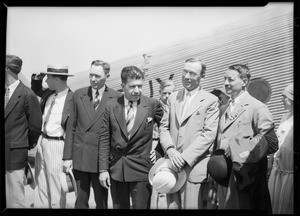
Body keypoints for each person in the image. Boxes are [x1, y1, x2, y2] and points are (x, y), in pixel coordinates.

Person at [215, 63, 278, 212]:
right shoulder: (223, 108)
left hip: (246, 177)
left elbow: (270, 141)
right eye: (224, 79)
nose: (225, 83)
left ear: (244, 81)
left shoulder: (257, 107)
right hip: (225, 177)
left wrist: (236, 147)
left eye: (230, 79)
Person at [99, 66, 164, 209]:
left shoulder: (152, 104)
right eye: (132, 86)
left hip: (142, 170)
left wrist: (159, 151)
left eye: (140, 86)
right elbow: (104, 138)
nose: (137, 90)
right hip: (117, 170)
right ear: (123, 86)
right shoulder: (111, 106)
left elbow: (166, 129)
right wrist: (103, 170)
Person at [159, 57, 220, 209]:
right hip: (172, 167)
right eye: (185, 71)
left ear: (202, 76)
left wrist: (184, 158)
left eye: (192, 73)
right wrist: (170, 150)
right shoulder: (173, 97)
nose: (187, 76)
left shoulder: (210, 100)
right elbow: (164, 127)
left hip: (193, 169)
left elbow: (208, 135)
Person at [63, 60, 122, 209]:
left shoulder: (116, 97)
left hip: (101, 161)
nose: (93, 79)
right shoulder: (79, 94)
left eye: (97, 76)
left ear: (107, 76)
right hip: (80, 157)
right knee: (80, 202)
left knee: (101, 203)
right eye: (91, 75)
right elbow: (72, 128)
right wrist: (67, 157)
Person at [31, 64, 74, 208]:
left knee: (56, 186)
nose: (46, 80)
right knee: (41, 183)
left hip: (58, 145)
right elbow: (36, 89)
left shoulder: (72, 99)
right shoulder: (49, 93)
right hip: (42, 141)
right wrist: (37, 79)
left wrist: (68, 157)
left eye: (48, 77)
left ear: (56, 79)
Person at [5, 54, 42, 208]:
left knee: (15, 200)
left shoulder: (27, 94)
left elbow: (35, 127)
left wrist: (21, 144)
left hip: (15, 156)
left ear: (6, 69)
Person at [268, 83, 293, 214]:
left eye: (284, 96)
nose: (281, 100)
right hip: (277, 173)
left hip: (290, 175)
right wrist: (271, 160)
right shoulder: (285, 117)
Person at [150, 79, 175, 209]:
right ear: (159, 92)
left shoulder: (176, 106)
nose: (167, 96)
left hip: (171, 148)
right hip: (156, 148)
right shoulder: (155, 106)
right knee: (156, 183)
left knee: (170, 182)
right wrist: (153, 150)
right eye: (164, 93)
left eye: (170, 93)